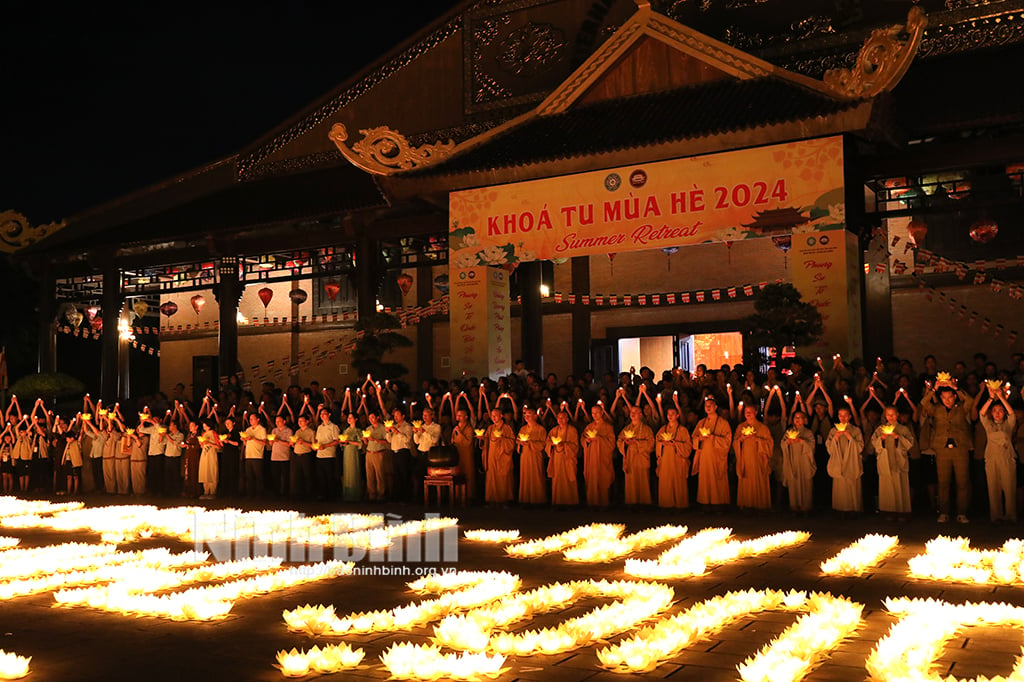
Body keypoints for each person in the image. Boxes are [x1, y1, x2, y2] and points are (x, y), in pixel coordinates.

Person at [921, 375, 975, 523]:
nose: (947, 400)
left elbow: (970, 401)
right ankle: (944, 512)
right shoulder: (937, 409)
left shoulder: (961, 408)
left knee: (962, 481)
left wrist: (956, 387)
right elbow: (924, 402)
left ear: (954, 396)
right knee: (943, 481)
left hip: (960, 448)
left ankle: (962, 512)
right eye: (944, 397)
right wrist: (934, 389)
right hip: (942, 449)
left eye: (950, 397)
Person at [979, 384, 1017, 522]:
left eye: (1000, 411)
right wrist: (990, 398)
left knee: (1009, 487)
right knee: (993, 488)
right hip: (991, 458)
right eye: (995, 410)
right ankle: (996, 516)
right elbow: (981, 413)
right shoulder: (989, 425)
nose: (997, 413)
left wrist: (1001, 397)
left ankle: (1011, 515)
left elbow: (1012, 414)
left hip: (1007, 458)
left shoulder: (1009, 424)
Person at [871, 406, 914, 518]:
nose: (891, 417)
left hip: (899, 461)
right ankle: (888, 512)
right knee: (887, 486)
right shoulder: (880, 429)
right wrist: (881, 440)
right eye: (888, 415)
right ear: (885, 416)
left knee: (900, 484)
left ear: (897, 415)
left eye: (893, 414)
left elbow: (910, 443)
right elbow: (874, 443)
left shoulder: (903, 429)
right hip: (885, 461)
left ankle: (902, 512)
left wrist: (898, 437)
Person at [692, 396, 732, 509]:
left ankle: (719, 505)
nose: (708, 408)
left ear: (715, 407)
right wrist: (699, 439)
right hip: (704, 456)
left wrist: (713, 438)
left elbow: (727, 441)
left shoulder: (723, 423)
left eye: (710, 406)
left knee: (717, 479)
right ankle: (705, 503)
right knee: (704, 480)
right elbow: (693, 438)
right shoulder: (701, 422)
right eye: (706, 406)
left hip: (717, 457)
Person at [733, 404, 772, 510]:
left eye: (750, 411)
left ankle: (760, 505)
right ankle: (746, 504)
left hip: (758, 459)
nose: (748, 414)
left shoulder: (762, 428)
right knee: (745, 480)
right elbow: (735, 442)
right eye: (746, 412)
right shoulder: (741, 427)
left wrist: (758, 440)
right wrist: (740, 439)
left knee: (758, 479)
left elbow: (769, 444)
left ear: (755, 413)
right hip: (745, 459)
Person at [826, 407, 864, 514]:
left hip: (852, 463)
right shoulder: (833, 431)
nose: (843, 418)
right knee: (840, 486)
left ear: (850, 416)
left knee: (852, 485)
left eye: (845, 415)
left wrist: (850, 438)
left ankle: (853, 509)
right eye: (840, 415)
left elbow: (860, 447)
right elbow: (829, 447)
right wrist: (836, 439)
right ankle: (840, 509)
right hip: (838, 463)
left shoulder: (856, 430)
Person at [655, 406, 692, 509]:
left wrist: (675, 444)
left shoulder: (682, 430)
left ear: (677, 415)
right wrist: (662, 443)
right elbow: (657, 442)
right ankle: (666, 504)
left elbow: (688, 446)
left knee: (678, 482)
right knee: (666, 482)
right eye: (668, 414)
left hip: (677, 461)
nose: (670, 416)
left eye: (673, 414)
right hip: (665, 461)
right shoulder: (662, 429)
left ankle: (680, 505)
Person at [618, 406, 654, 506]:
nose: (632, 414)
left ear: (641, 415)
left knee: (643, 482)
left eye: (635, 412)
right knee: (631, 482)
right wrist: (624, 443)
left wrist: (637, 443)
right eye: (631, 412)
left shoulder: (647, 429)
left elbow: (651, 444)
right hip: (629, 458)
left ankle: (644, 504)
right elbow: (619, 441)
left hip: (641, 459)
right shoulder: (626, 429)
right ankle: (631, 504)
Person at [781, 410, 815, 514]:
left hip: (804, 462)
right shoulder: (789, 431)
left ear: (804, 420)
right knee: (793, 482)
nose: (797, 420)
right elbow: (782, 444)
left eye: (800, 418)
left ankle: (806, 507)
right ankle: (794, 506)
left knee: (805, 483)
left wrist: (801, 441)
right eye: (796, 418)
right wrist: (787, 442)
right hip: (792, 461)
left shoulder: (808, 433)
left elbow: (812, 447)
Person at [581, 404, 615, 507]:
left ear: (601, 413)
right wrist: (585, 440)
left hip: (602, 459)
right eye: (592, 413)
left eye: (597, 413)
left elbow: (611, 444)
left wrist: (599, 439)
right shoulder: (589, 427)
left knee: (602, 479)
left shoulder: (608, 427)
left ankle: (603, 504)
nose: (594, 415)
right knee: (592, 480)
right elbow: (583, 439)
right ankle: (592, 503)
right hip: (591, 458)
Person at [482, 408, 514, 505]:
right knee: (491, 478)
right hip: (491, 457)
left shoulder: (507, 428)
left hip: (503, 457)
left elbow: (512, 443)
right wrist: (482, 439)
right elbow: (486, 442)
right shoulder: (490, 428)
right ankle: (492, 500)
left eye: (496, 415)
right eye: (492, 416)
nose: (493, 418)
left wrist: (502, 439)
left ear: (501, 416)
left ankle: (504, 501)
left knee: (503, 479)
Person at [547, 409, 579, 506]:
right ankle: (558, 502)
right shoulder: (554, 430)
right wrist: (551, 444)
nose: (560, 420)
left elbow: (575, 445)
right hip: (556, 458)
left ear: (567, 419)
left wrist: (564, 445)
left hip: (567, 458)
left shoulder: (572, 430)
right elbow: (547, 442)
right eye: (558, 418)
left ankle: (570, 503)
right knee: (557, 479)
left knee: (568, 479)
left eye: (562, 418)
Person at [517, 407, 548, 505]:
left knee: (536, 476)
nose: (526, 416)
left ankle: (538, 500)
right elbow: (517, 440)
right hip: (525, 456)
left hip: (535, 456)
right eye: (525, 415)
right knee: (525, 476)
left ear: (535, 416)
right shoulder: (523, 429)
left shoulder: (540, 429)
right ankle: (526, 500)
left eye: (529, 414)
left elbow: (543, 444)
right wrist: (520, 443)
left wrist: (531, 443)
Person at [412, 408, 441, 502]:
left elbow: (434, 440)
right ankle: (420, 498)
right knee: (419, 476)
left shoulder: (436, 427)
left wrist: (424, 432)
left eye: (427, 415)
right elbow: (416, 441)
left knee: (431, 476)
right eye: (423, 415)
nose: (424, 417)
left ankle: (432, 498)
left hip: (431, 454)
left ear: (432, 416)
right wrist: (416, 433)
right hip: (421, 453)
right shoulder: (421, 426)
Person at [450, 406, 477, 501]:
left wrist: (460, 433)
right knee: (458, 474)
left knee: (468, 474)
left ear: (466, 417)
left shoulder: (469, 429)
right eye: (457, 415)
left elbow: (468, 442)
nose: (458, 417)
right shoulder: (455, 428)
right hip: (458, 455)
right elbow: (452, 441)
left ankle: (469, 496)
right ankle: (458, 496)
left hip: (467, 454)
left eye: (461, 415)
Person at [314, 408, 340, 500]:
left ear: (329, 414)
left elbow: (337, 441)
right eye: (321, 414)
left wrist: (326, 446)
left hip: (329, 455)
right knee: (321, 476)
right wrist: (315, 446)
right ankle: (322, 494)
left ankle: (331, 495)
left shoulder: (333, 427)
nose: (322, 415)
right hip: (319, 455)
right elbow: (317, 440)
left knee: (330, 476)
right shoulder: (319, 427)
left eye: (324, 413)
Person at [240, 413, 267, 498]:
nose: (251, 420)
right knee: (249, 476)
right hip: (248, 455)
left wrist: (253, 438)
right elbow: (245, 444)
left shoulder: (262, 429)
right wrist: (244, 440)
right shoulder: (248, 430)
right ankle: (250, 494)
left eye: (252, 419)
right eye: (250, 419)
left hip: (257, 456)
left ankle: (259, 495)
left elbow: (264, 442)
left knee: (258, 476)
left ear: (258, 419)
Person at [364, 412, 389, 503]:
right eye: (369, 418)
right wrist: (365, 440)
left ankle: (381, 494)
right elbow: (367, 443)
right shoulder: (368, 428)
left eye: (373, 417)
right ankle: (371, 494)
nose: (371, 419)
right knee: (370, 474)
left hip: (379, 453)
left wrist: (375, 439)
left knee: (379, 474)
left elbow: (387, 441)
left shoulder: (382, 428)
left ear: (377, 417)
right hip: (369, 452)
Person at [290, 414, 315, 499]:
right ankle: (297, 494)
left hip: (306, 455)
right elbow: (295, 444)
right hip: (296, 454)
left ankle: (308, 494)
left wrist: (304, 442)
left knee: (307, 475)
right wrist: (293, 443)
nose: (299, 422)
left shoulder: (311, 432)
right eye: (299, 421)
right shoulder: (297, 432)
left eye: (302, 421)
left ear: (307, 422)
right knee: (297, 475)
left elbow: (314, 446)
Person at [340, 413, 362, 502]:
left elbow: (360, 443)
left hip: (353, 452)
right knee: (347, 472)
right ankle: (347, 495)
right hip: (347, 452)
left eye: (351, 418)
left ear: (356, 419)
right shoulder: (346, 430)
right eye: (348, 418)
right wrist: (343, 443)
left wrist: (350, 442)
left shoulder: (358, 430)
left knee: (353, 471)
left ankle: (355, 495)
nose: (349, 419)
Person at [269, 415, 292, 498]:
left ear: (284, 421)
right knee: (275, 476)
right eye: (276, 421)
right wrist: (271, 442)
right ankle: (276, 494)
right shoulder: (274, 430)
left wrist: (278, 440)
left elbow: (289, 444)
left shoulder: (288, 431)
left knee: (285, 476)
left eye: (279, 421)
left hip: (284, 457)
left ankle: (285, 494)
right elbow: (271, 443)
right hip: (274, 456)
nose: (277, 423)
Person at [198, 422, 221, 499]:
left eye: (205, 425)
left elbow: (218, 446)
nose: (204, 426)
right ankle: (206, 491)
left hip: (211, 454)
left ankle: (213, 492)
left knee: (212, 471)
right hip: (204, 454)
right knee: (205, 471)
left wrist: (209, 443)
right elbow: (202, 446)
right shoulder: (203, 434)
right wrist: (201, 443)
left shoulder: (213, 433)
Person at [163, 420, 184, 497]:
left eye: (171, 425)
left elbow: (175, 443)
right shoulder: (169, 434)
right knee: (168, 475)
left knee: (175, 475)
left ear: (175, 426)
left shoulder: (180, 435)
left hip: (175, 457)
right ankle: (168, 492)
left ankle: (176, 492)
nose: (169, 427)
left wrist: (167, 436)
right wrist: (162, 436)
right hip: (168, 457)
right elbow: (163, 442)